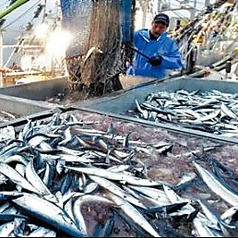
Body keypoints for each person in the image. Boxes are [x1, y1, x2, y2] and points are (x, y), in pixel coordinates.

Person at [128, 13, 183, 79]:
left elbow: (178, 62)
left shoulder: (169, 43)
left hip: (153, 81)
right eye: (155, 26)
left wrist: (161, 60)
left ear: (166, 28)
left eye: (161, 28)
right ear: (152, 24)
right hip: (131, 78)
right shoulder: (137, 36)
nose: (157, 30)